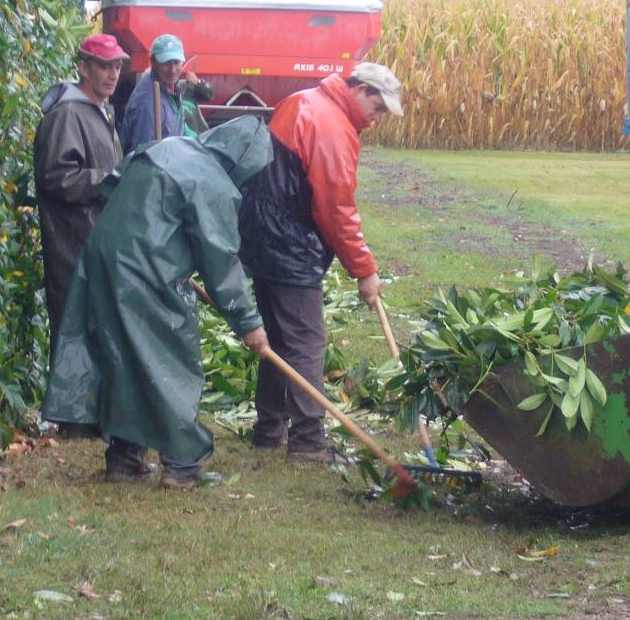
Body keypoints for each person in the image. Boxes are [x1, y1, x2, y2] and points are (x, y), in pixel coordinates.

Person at [44, 118, 272, 488]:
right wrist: (249, 323)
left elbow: (110, 187)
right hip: (145, 272)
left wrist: (166, 242)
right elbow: (221, 261)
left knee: (122, 357)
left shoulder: (164, 146)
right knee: (172, 360)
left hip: (102, 259)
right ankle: (182, 465)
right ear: (243, 162)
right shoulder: (212, 182)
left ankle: (124, 458)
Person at [237, 62, 403, 463]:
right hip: (288, 243)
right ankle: (309, 442)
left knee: (277, 340)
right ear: (360, 89)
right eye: (378, 109)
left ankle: (269, 429)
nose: (377, 121)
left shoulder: (302, 101)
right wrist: (364, 270)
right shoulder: (331, 126)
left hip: (259, 234)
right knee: (306, 342)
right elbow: (336, 208)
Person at [33, 33, 128, 359]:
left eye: (117, 66)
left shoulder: (101, 111)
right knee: (75, 344)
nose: (113, 74)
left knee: (96, 343)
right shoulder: (68, 115)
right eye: (104, 66)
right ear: (83, 68)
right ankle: (67, 411)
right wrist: (112, 178)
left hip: (95, 248)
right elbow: (57, 177)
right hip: (73, 249)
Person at [120, 33, 214, 151]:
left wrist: (198, 141)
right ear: (153, 62)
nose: (173, 70)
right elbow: (143, 157)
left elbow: (177, 125)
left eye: (176, 62)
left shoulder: (171, 87)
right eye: (166, 63)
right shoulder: (148, 104)